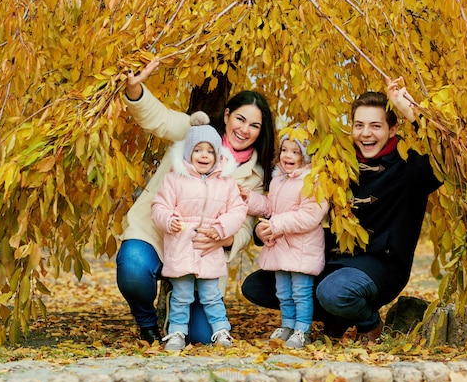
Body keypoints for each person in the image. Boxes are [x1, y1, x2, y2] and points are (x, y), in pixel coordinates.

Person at [242, 77, 442, 342]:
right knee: (257, 286)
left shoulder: (409, 165)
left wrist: (412, 113)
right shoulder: (338, 162)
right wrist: (262, 228)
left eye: (375, 126)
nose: (365, 133)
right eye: (359, 125)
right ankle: (336, 316)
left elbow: (446, 156)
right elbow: (296, 202)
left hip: (380, 265)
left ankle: (368, 322)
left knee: (334, 291)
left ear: (392, 129)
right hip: (332, 258)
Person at [117, 57, 275, 345]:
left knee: (200, 336)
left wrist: (224, 240)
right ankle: (147, 324)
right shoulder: (195, 134)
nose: (244, 129)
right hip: (158, 233)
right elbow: (160, 119)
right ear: (227, 115)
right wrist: (135, 91)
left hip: (203, 252)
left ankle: (176, 311)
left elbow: (244, 226)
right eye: (240, 118)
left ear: (260, 131)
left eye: (254, 125)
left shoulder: (255, 176)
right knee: (132, 269)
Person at [151, 113, 248, 350]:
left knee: (211, 295)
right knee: (182, 295)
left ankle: (222, 330)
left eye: (210, 151)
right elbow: (159, 206)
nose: (204, 155)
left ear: (217, 155)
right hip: (181, 247)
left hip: (208, 249)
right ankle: (176, 333)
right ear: (188, 154)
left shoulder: (225, 182)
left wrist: (220, 228)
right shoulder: (175, 179)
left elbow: (237, 209)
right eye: (197, 150)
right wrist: (169, 220)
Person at [242, 126, 329, 348]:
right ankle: (288, 324)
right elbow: (270, 206)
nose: (287, 156)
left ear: (305, 156)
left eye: (295, 151)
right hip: (281, 246)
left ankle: (302, 329)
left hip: (301, 248)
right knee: (283, 291)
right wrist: (250, 199)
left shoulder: (312, 181)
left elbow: (310, 216)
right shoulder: (279, 179)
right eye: (284, 150)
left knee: (300, 291)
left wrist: (277, 224)